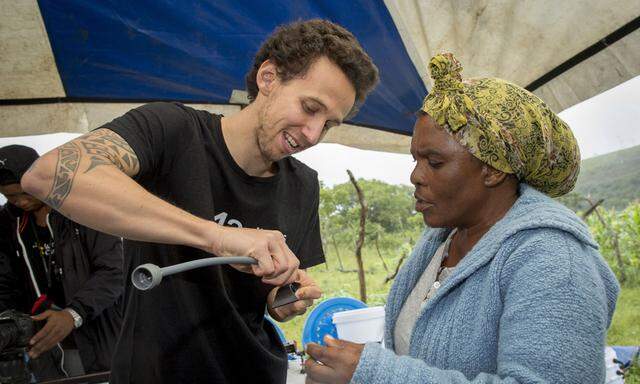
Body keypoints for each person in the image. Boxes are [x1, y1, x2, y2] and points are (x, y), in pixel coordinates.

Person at [21, 19, 379, 383]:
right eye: (309, 107)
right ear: (269, 78)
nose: (313, 133)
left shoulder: (303, 185)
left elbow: (277, 297)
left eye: (329, 124)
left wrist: (287, 298)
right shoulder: (173, 130)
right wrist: (218, 236)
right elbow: (48, 175)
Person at [305, 53, 620, 384]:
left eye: (435, 162)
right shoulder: (443, 242)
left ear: (493, 170)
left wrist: (374, 373)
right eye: (416, 159)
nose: (415, 176)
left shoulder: (554, 260)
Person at [0, 144, 123, 379]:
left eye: (25, 193)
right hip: (45, 347)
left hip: (101, 338)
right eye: (10, 197)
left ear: (41, 177)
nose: (19, 202)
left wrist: (73, 314)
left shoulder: (83, 207)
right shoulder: (6, 224)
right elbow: (5, 285)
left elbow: (114, 271)